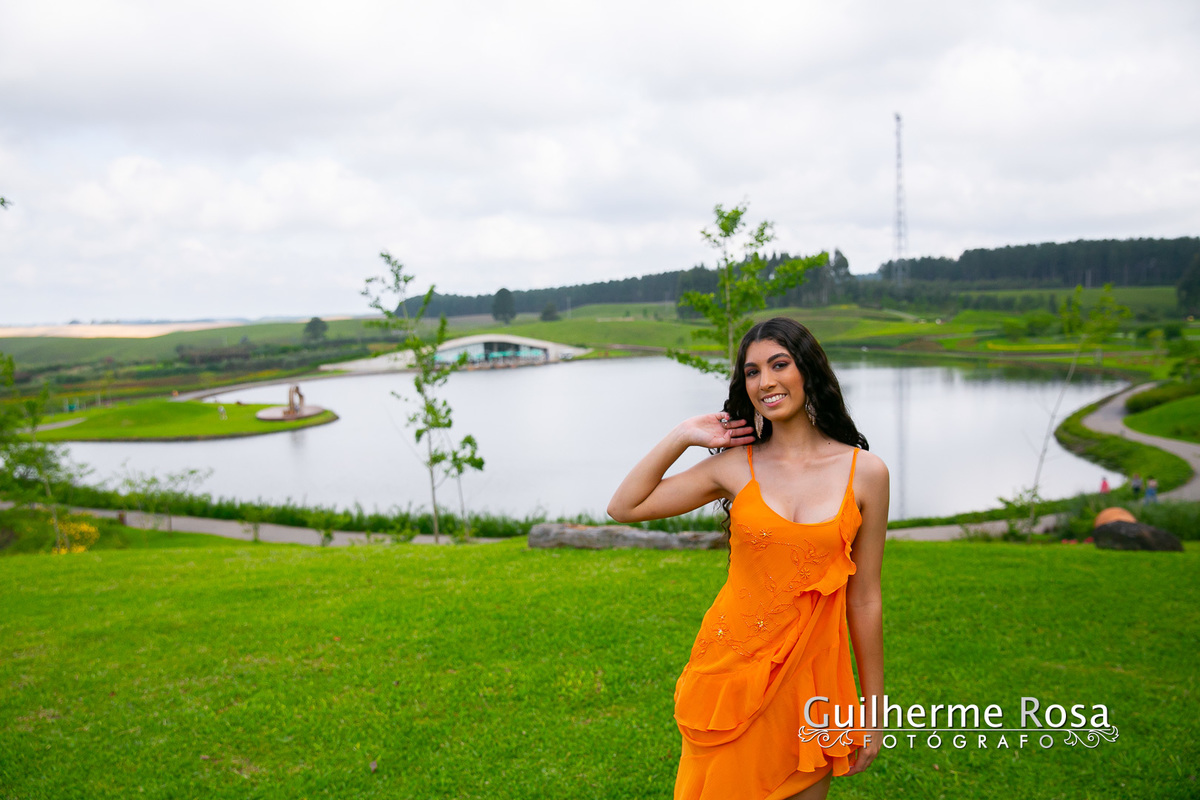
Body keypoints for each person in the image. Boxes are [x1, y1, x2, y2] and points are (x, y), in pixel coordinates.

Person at [608, 317, 889, 800]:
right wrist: (682, 435)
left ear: (808, 369)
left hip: (812, 683)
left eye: (779, 364)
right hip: (729, 674)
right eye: (752, 372)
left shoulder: (866, 473)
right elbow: (625, 506)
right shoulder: (735, 466)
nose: (766, 382)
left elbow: (864, 600)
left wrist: (874, 706)